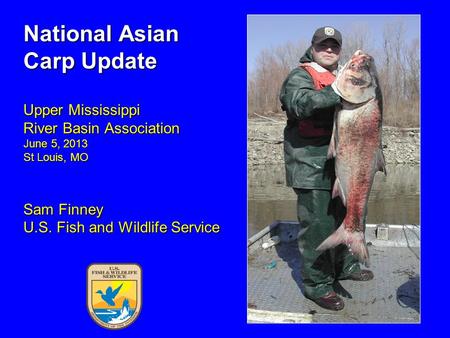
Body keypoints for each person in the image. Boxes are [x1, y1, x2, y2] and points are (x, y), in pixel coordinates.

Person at [279, 26, 374, 311]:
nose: (329, 50)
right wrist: (337, 92)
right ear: (314, 47)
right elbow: (299, 103)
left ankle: (345, 265)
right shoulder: (301, 76)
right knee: (319, 225)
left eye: (334, 46)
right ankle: (317, 284)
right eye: (324, 45)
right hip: (311, 165)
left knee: (346, 215)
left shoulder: (341, 76)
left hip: (342, 164)